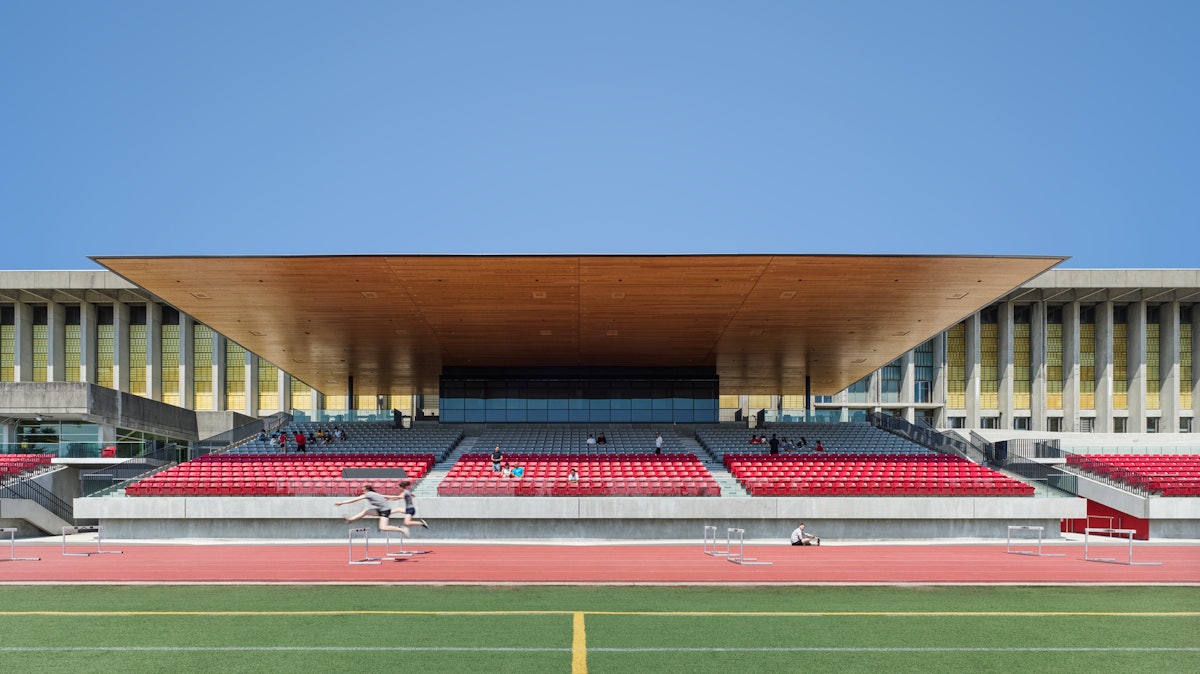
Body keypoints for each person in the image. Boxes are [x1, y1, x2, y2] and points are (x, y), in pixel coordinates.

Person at [335, 485, 410, 535]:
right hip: (382, 509)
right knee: (366, 512)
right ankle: (351, 520)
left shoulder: (368, 494)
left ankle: (402, 529)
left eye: (363, 490)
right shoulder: (375, 494)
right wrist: (399, 497)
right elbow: (387, 497)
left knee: (383, 527)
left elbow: (355, 499)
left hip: (384, 511)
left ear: (367, 490)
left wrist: (341, 503)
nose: (362, 491)